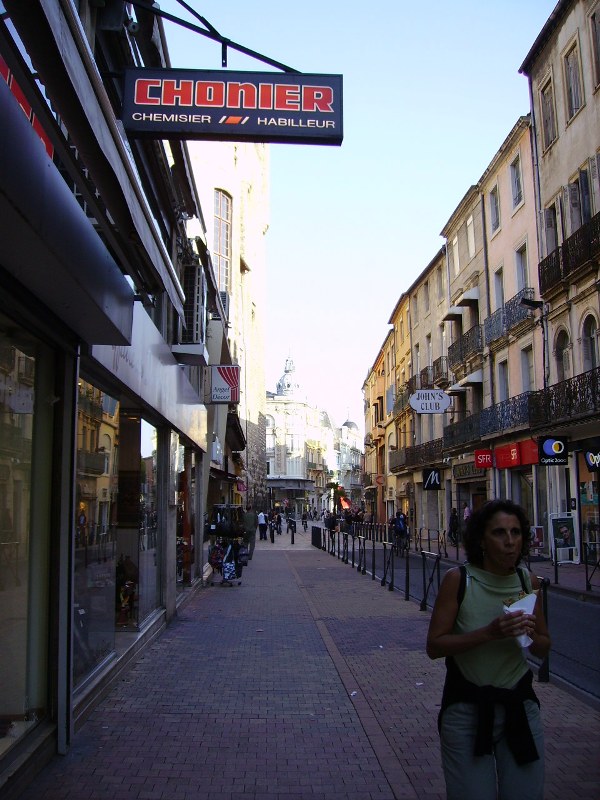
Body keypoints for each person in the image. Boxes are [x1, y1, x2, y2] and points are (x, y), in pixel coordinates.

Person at [426, 499, 551, 800]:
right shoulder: (459, 580)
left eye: (516, 532)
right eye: (499, 533)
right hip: (467, 710)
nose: (510, 542)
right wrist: (489, 633)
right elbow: (435, 646)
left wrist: (531, 635)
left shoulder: (527, 581)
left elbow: (544, 647)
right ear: (481, 539)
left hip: (519, 707)